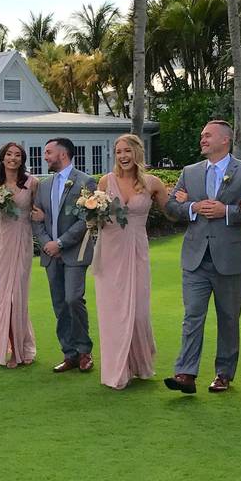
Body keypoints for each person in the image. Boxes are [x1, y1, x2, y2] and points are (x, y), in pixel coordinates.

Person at [164, 120, 241, 395]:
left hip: (231, 258)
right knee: (192, 317)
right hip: (195, 258)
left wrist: (229, 211)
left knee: (228, 318)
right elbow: (172, 206)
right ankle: (185, 373)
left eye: (208, 135)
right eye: (201, 135)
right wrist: (193, 207)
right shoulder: (189, 173)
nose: (202, 139)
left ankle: (224, 373)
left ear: (225, 140)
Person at [93, 134, 169, 389]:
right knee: (111, 313)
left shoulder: (152, 183)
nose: (123, 156)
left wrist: (186, 203)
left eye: (127, 151)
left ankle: (139, 363)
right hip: (109, 252)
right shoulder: (105, 181)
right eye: (118, 152)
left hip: (137, 251)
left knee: (138, 313)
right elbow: (95, 217)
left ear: (137, 153)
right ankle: (117, 370)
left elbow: (172, 213)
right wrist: (90, 215)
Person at [31, 137, 97, 374]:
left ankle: (84, 351)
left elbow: (86, 219)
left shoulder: (85, 181)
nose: (45, 156)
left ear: (63, 154)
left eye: (48, 152)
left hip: (74, 253)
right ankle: (69, 353)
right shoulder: (43, 184)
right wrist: (47, 243)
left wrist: (61, 242)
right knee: (59, 304)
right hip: (50, 254)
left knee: (73, 299)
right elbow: (36, 217)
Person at [0, 142, 38, 369]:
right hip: (1, 243)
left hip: (22, 240)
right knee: (0, 298)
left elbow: (37, 212)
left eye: (17, 155)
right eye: (9, 154)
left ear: (22, 159)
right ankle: (6, 349)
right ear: (2, 157)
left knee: (17, 297)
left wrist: (40, 216)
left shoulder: (32, 183)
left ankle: (20, 349)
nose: (12, 158)